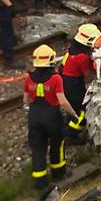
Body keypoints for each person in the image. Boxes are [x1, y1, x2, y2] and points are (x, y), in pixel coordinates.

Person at [24, 44, 77, 189]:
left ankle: (40, 182)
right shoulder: (56, 79)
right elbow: (63, 101)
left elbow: (26, 100)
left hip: (34, 117)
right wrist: (74, 114)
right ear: (51, 60)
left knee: (38, 149)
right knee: (57, 145)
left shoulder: (29, 79)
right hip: (52, 118)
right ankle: (59, 174)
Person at [61, 23, 101, 142]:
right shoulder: (82, 57)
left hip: (66, 81)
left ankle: (67, 126)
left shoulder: (73, 50)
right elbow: (87, 75)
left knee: (73, 108)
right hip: (73, 85)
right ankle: (71, 134)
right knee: (83, 110)